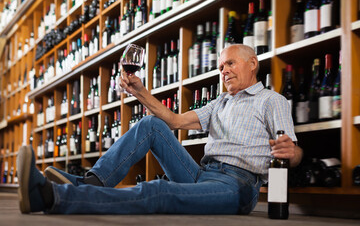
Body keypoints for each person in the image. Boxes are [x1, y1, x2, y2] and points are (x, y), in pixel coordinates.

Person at [17, 44, 303, 214]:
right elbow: (174, 121)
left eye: (230, 63)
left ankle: (51, 196)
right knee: (151, 124)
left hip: (236, 186)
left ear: (252, 64)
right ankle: (93, 182)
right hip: (202, 173)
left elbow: (292, 153)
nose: (223, 70)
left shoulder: (271, 101)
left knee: (158, 192)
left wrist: (292, 152)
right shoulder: (220, 103)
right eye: (220, 66)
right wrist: (140, 92)